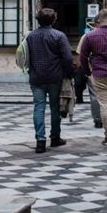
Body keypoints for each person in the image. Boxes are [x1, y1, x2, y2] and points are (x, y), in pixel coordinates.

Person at [27, 8, 75, 153]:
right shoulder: (59, 35)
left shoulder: (31, 36)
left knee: (39, 107)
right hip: (55, 77)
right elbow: (67, 57)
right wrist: (69, 72)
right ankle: (55, 137)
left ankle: (40, 141)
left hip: (36, 76)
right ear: (54, 20)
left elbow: (26, 55)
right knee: (55, 108)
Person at [79, 9, 107, 145]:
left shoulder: (90, 35)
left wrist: (87, 71)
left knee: (105, 104)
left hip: (100, 73)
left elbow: (83, 56)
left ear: (99, 20)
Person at [75, 21, 103, 128]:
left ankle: (98, 119)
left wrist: (84, 69)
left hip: (92, 69)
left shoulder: (87, 36)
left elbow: (80, 55)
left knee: (95, 95)